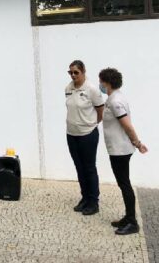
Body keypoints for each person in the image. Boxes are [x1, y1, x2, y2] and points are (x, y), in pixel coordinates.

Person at [99, 68, 148, 235]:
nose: (100, 85)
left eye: (101, 82)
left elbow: (127, 125)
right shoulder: (115, 97)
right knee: (123, 183)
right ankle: (128, 217)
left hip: (120, 150)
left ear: (107, 83)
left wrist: (138, 143)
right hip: (118, 149)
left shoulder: (115, 101)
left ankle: (132, 222)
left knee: (124, 184)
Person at [65, 60, 104, 215]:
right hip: (71, 134)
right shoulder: (68, 88)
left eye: (76, 72)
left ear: (83, 72)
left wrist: (92, 124)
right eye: (71, 72)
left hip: (87, 134)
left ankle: (93, 202)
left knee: (89, 168)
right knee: (79, 168)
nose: (73, 75)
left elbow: (100, 110)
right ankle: (85, 198)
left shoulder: (91, 89)